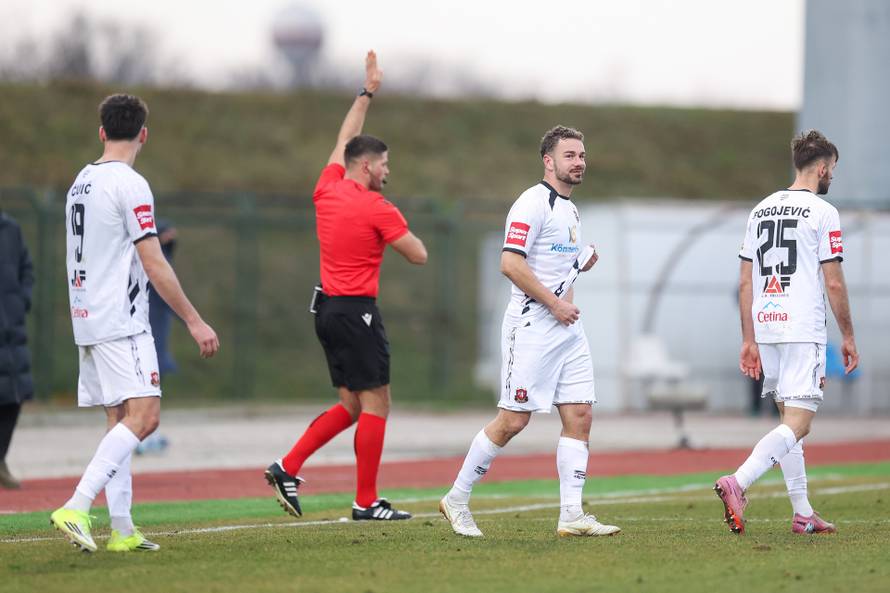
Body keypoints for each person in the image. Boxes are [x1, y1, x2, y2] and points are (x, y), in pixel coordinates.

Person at [51, 94, 220, 553]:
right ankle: (76, 506)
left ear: (101, 132)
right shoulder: (130, 184)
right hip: (120, 319)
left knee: (120, 420)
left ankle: (122, 530)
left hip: (86, 316)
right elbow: (154, 262)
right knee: (145, 418)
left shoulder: (81, 182)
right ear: (143, 134)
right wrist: (194, 320)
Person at [264, 51, 427, 522]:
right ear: (367, 167)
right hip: (357, 312)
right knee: (378, 404)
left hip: (327, 311)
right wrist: (394, 224)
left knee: (351, 404)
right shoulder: (378, 207)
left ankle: (287, 465)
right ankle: (365, 502)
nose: (388, 172)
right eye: (384, 165)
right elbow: (418, 255)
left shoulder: (326, 186)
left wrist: (367, 91)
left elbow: (344, 139)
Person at [439, 125, 620, 538]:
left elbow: (559, 271)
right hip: (532, 326)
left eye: (582, 155)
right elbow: (511, 264)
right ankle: (457, 498)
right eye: (570, 155)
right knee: (513, 420)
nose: (578, 162)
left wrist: (570, 294)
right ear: (548, 161)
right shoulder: (531, 203)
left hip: (565, 327)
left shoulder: (572, 211)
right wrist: (554, 304)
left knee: (580, 413)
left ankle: (571, 515)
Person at [716, 129, 858, 535]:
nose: (832, 176)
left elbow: (745, 281)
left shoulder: (760, 210)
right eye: (833, 170)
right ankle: (737, 483)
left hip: (767, 325)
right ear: (823, 167)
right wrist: (847, 335)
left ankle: (803, 512)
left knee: (787, 417)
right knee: (800, 421)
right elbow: (833, 281)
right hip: (801, 325)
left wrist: (748, 339)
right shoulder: (822, 211)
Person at [0, 209, 34, 489]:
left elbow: (27, 268)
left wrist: (21, 301)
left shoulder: (11, 228)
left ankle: (0, 460)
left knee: (14, 398)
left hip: (12, 329)